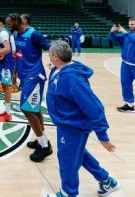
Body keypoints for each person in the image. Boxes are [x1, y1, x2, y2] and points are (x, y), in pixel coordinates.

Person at [46, 40, 120, 197]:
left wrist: (102, 135)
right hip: (67, 124)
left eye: (51, 55)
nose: (49, 57)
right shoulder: (61, 69)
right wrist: (54, 67)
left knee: (67, 159)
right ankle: (107, 181)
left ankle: (68, 193)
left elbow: (94, 106)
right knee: (79, 154)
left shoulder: (72, 78)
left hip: (72, 126)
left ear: (57, 56)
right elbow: (58, 73)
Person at [6, 13, 52, 162]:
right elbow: (18, 55)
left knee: (26, 108)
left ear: (16, 21)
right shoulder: (16, 35)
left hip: (35, 76)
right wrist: (14, 72)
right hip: (24, 76)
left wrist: (56, 66)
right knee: (35, 109)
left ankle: (45, 147)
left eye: (9, 24)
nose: (8, 27)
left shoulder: (34, 34)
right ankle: (42, 139)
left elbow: (51, 48)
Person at [109, 18, 135, 112]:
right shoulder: (126, 35)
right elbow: (114, 39)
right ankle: (129, 104)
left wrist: (125, 32)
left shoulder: (127, 34)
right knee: (125, 84)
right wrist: (112, 32)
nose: (131, 26)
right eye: (130, 24)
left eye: (133, 24)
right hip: (125, 64)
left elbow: (133, 41)